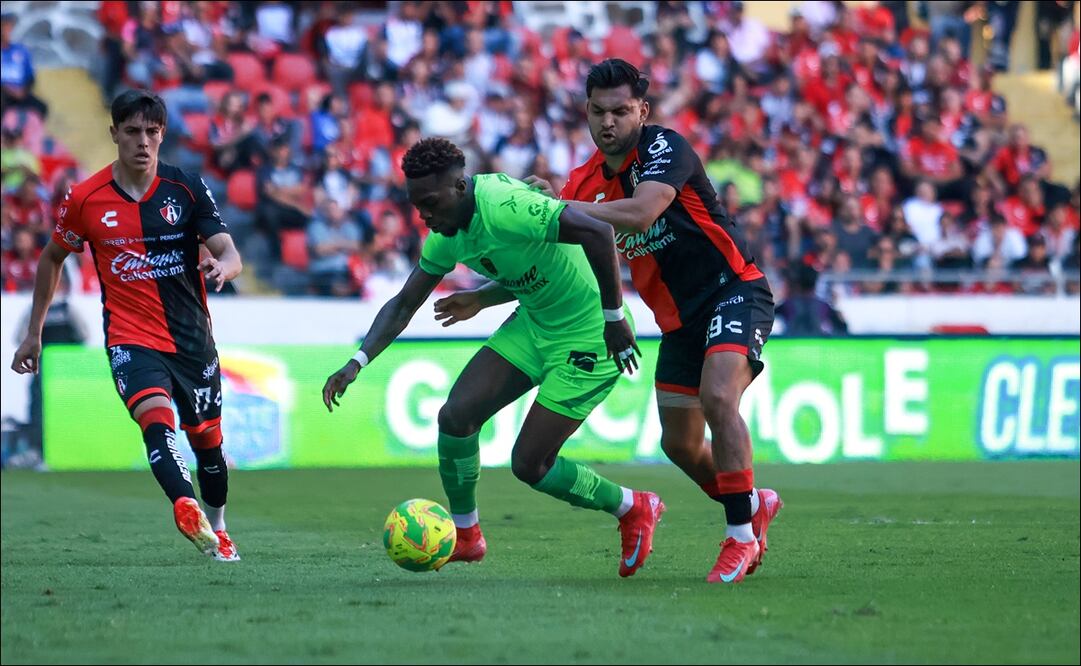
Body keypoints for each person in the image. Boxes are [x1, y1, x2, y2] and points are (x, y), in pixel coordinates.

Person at [322, 137, 665, 578]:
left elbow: (597, 232)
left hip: (592, 333)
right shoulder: (446, 236)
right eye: (416, 205)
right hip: (536, 322)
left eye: (430, 203)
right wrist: (357, 362)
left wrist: (614, 318)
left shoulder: (504, 205)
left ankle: (633, 506)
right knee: (456, 417)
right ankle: (467, 536)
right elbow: (404, 304)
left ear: (460, 187)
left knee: (530, 464)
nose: (424, 215)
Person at [520, 59, 782, 584]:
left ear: (642, 110)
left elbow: (641, 214)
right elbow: (557, 241)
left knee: (718, 398)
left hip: (733, 290)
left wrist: (560, 208)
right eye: (599, 111)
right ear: (586, 113)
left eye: (621, 110)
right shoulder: (586, 181)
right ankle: (753, 502)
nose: (609, 122)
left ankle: (739, 537)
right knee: (680, 445)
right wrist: (490, 285)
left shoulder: (665, 148)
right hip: (679, 321)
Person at [10, 90, 243, 562]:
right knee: (155, 420)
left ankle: (218, 527)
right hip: (130, 337)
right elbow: (52, 258)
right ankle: (184, 503)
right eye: (133, 131)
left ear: (163, 136)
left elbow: (228, 249)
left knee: (209, 447)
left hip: (192, 341)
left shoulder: (187, 188)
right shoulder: (85, 198)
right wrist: (33, 331)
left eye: (152, 132)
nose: (143, 142)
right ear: (114, 133)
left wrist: (227, 268)